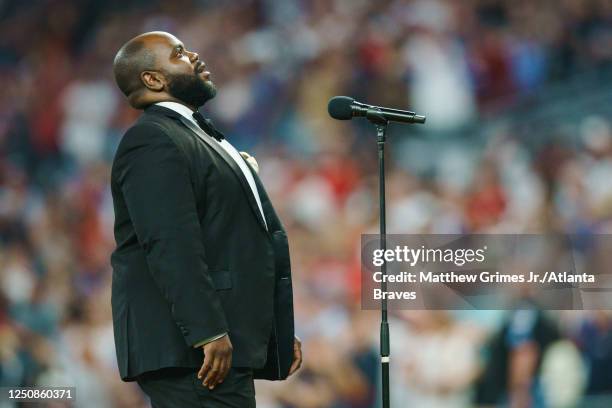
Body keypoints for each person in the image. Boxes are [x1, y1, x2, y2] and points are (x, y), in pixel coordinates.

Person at [109, 31, 301, 407]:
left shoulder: (195, 135)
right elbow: (170, 243)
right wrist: (207, 332)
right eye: (178, 53)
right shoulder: (152, 138)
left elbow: (231, 246)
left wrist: (273, 328)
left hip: (216, 347)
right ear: (153, 79)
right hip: (193, 352)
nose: (194, 55)